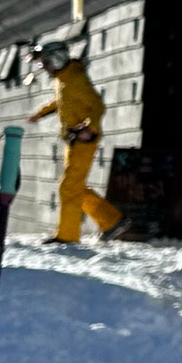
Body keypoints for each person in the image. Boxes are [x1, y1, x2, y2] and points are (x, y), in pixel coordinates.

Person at [31, 40, 125, 244]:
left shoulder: (76, 79)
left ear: (57, 59)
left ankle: (68, 236)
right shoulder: (63, 79)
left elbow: (97, 106)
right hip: (73, 140)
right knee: (72, 186)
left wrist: (88, 128)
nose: (45, 67)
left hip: (84, 139)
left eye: (47, 62)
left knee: (69, 187)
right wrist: (41, 113)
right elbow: (63, 101)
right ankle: (111, 220)